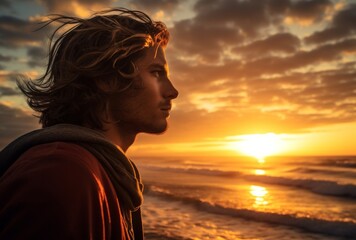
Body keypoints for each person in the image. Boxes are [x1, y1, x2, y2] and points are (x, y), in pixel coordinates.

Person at [0, 8, 178, 240]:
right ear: (107, 79)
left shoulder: (99, 172)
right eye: (156, 73)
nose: (173, 92)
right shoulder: (62, 175)